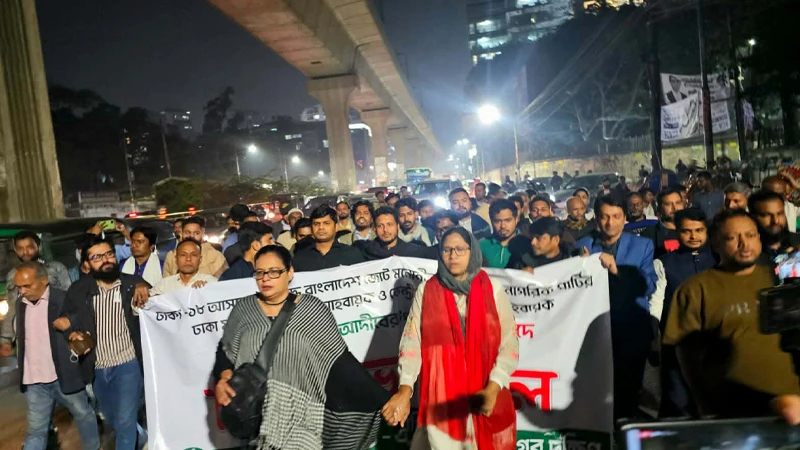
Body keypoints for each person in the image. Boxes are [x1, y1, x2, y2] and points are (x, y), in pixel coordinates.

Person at [213, 245, 387, 449]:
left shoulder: (312, 309)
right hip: (257, 421)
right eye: (259, 273)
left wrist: (383, 399)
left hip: (304, 421)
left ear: (290, 273)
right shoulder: (244, 309)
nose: (265, 278)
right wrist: (224, 378)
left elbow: (339, 361)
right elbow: (224, 352)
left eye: (274, 272)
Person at [382, 227, 518, 449]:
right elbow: (412, 341)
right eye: (446, 250)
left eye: (460, 249)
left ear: (472, 252)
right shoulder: (427, 290)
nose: (453, 256)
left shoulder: (492, 289)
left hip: (485, 391)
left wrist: (494, 386)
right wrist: (405, 388)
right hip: (442, 396)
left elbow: (509, 342)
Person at [663, 209, 800, 417]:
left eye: (750, 235)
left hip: (791, 405)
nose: (744, 244)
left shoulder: (779, 277)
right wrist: (703, 404)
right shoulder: (695, 289)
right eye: (732, 238)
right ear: (715, 243)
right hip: (731, 411)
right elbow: (686, 356)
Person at [59, 235, 150, 450]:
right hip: (97, 367)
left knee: (126, 421)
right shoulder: (78, 291)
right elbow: (67, 319)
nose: (106, 260)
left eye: (109, 254)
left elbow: (160, 310)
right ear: (87, 264)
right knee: (112, 418)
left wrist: (144, 287)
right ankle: (142, 436)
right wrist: (71, 333)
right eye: (97, 257)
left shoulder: (132, 285)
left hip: (129, 364)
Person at [576, 195, 657, 420]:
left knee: (628, 394)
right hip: (593, 331)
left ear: (624, 218)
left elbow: (648, 285)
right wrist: (580, 266)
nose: (610, 223)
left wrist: (617, 271)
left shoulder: (643, 245)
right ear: (595, 219)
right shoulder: (582, 245)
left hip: (630, 330)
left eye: (616, 217)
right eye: (604, 217)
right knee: (595, 392)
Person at [3, 262, 100, 450]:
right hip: (34, 381)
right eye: (19, 287)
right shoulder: (19, 304)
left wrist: (71, 325)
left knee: (84, 415)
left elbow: (85, 322)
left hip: (63, 375)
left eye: (27, 286)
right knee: (36, 430)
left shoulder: (65, 299)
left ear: (44, 280)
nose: (22, 291)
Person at [649, 208, 716, 418]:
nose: (694, 236)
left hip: (715, 342)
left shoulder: (718, 259)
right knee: (678, 401)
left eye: (699, 230)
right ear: (677, 232)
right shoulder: (664, 264)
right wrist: (654, 337)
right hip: (677, 344)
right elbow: (656, 304)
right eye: (687, 231)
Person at [1, 231, 72, 354]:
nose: (25, 252)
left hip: (54, 332)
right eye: (20, 248)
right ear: (15, 250)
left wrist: (71, 327)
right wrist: (5, 340)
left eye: (29, 247)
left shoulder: (55, 269)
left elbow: (70, 301)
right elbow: (12, 308)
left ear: (38, 247)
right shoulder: (13, 275)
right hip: (26, 337)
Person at [293, 205, 365, 271]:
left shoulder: (352, 254)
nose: (321, 227)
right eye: (316, 224)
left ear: (336, 227)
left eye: (326, 223)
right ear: (311, 228)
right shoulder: (300, 258)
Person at [354, 207, 437, 260]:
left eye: (389, 224)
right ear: (374, 229)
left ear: (397, 226)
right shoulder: (364, 251)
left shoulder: (413, 252)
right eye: (380, 226)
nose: (385, 230)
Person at [748, 190, 800, 268]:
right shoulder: (746, 252)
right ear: (752, 217)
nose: (775, 221)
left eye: (779, 214)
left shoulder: (797, 242)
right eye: (767, 215)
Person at [149, 238, 217, 295]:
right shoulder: (163, 285)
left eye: (193, 255)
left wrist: (208, 291)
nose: (188, 259)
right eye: (183, 255)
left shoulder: (211, 283)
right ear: (176, 259)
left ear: (200, 259)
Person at [480, 199, 529, 269]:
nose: (503, 226)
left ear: (517, 219)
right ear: (491, 221)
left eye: (508, 220)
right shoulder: (481, 245)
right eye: (497, 221)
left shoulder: (527, 245)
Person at [642, 187, 685, 258]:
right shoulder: (650, 234)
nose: (675, 208)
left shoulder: (693, 228)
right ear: (659, 208)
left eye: (678, 203)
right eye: (668, 204)